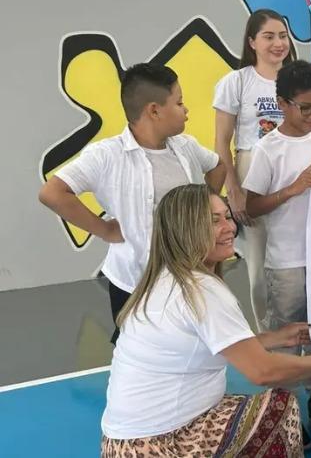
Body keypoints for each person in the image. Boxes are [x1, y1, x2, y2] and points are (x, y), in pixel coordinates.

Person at [100, 184, 311, 456]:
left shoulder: (168, 279)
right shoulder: (202, 290)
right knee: (279, 407)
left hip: (123, 444)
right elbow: (263, 372)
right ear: (186, 229)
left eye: (227, 216)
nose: (229, 227)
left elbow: (206, 342)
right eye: (214, 221)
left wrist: (273, 338)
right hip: (161, 444)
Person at [39, 63, 225, 343]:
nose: (186, 110)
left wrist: (205, 208)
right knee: (136, 349)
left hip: (189, 276)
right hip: (134, 281)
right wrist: (105, 230)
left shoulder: (186, 147)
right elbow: (53, 193)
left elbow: (218, 165)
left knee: (191, 344)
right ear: (154, 111)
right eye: (179, 102)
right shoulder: (106, 155)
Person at [243, 60, 311, 446]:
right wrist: (291, 189)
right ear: (282, 103)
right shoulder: (268, 149)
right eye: (305, 108)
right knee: (289, 333)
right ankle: (286, 407)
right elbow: (252, 207)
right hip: (286, 259)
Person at [213, 9, 295, 331]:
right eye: (269, 36)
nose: (278, 43)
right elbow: (221, 142)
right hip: (252, 168)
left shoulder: (298, 78)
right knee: (259, 266)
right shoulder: (236, 82)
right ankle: (267, 333)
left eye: (283, 36)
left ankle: (303, 331)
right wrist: (233, 189)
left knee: (296, 260)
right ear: (252, 42)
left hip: (294, 168)